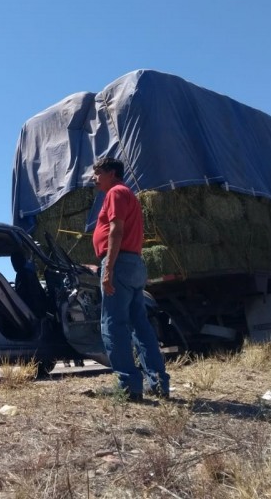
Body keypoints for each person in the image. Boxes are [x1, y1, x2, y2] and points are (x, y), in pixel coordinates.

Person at [91, 157, 169, 401]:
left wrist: (108, 269)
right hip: (134, 263)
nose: (94, 178)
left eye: (97, 173)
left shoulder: (115, 193)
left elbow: (116, 229)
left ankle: (128, 386)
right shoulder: (128, 194)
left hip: (120, 263)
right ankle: (157, 383)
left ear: (112, 173)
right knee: (140, 325)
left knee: (113, 325)